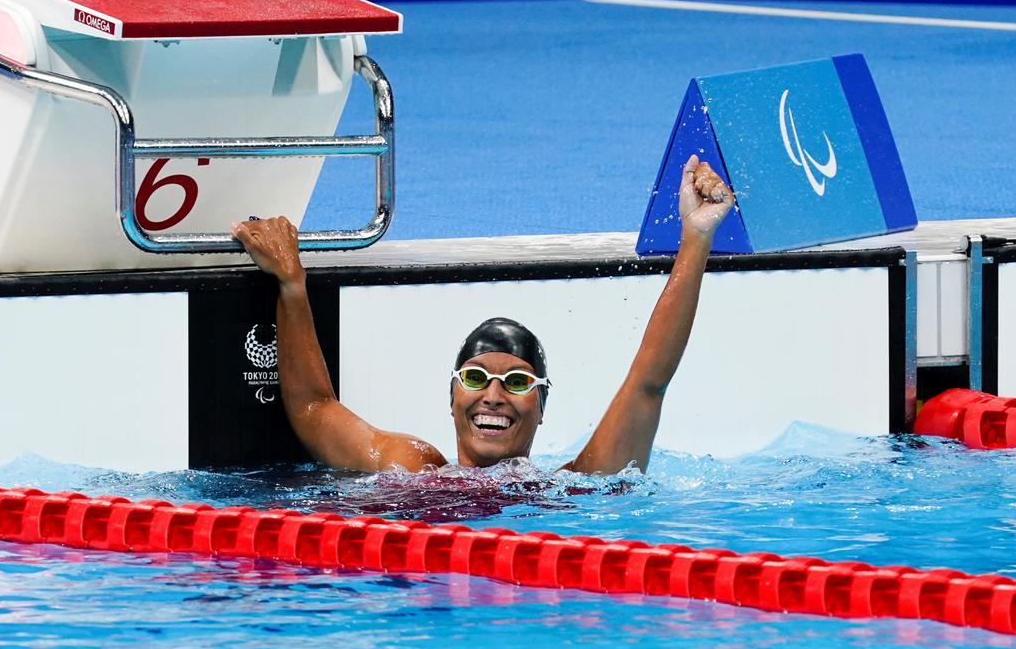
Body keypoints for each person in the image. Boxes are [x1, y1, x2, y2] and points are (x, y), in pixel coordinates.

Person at [232, 155, 734, 475]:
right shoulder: (408, 466)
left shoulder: (568, 492)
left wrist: (696, 240)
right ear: (451, 397)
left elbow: (648, 382)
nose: (493, 397)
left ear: (541, 406)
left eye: (517, 384)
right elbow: (313, 408)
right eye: (475, 378)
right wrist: (292, 284)